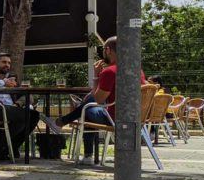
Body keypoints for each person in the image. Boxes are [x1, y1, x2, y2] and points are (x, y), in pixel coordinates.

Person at [54, 36, 145, 164]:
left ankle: (87, 155)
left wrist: (96, 76)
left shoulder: (109, 72)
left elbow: (98, 99)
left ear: (108, 50)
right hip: (137, 116)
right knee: (87, 105)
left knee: (87, 109)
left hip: (115, 117)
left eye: (103, 49)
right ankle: (64, 121)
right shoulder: (137, 70)